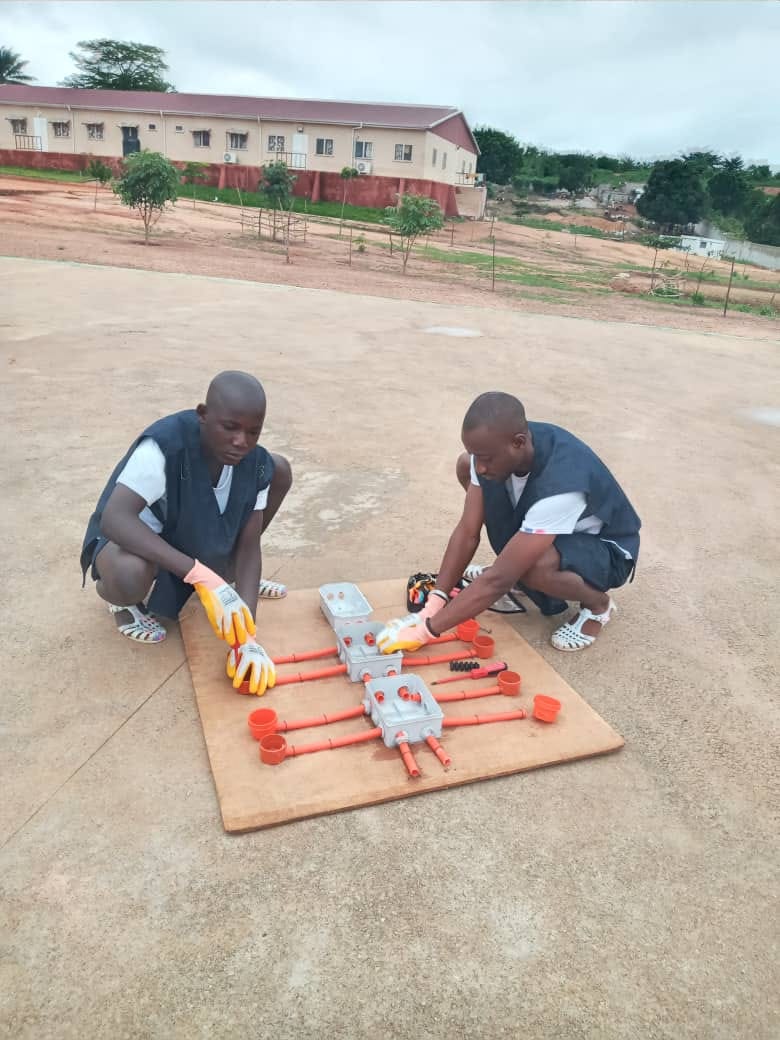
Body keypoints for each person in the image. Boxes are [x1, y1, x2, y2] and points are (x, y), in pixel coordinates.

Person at [378, 391, 640, 654]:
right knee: (465, 466)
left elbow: (498, 581)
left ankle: (598, 606)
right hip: (553, 532)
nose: (481, 467)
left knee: (532, 567)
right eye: (477, 455)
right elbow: (468, 532)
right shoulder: (499, 447)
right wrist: (434, 604)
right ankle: (521, 568)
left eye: (486, 458)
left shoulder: (561, 487)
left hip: (605, 550)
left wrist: (425, 631)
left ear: (518, 442)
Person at [80, 371, 292, 695]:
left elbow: (249, 546)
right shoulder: (165, 447)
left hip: (191, 536)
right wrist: (200, 575)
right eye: (230, 427)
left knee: (277, 469)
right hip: (138, 543)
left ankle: (227, 578)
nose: (241, 441)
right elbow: (115, 519)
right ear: (203, 415)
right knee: (129, 575)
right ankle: (123, 605)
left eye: (253, 431)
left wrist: (246, 637)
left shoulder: (254, 462)